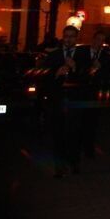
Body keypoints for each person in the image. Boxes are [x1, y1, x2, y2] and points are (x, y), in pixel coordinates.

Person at [45, 25, 91, 177]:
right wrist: (56, 74)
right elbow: (45, 77)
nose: (68, 39)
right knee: (57, 133)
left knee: (74, 133)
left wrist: (75, 67)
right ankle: (59, 166)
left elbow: (88, 77)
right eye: (66, 36)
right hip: (57, 100)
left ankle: (74, 162)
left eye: (72, 36)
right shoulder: (54, 55)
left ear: (76, 38)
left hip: (75, 100)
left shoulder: (83, 55)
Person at [75, 30, 110, 159]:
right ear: (93, 39)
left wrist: (100, 68)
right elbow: (77, 70)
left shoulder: (105, 56)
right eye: (98, 40)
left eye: (102, 41)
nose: (99, 43)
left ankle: (89, 149)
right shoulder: (82, 52)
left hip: (95, 93)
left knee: (92, 122)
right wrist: (89, 68)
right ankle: (77, 147)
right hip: (82, 91)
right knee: (79, 121)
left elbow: (109, 73)